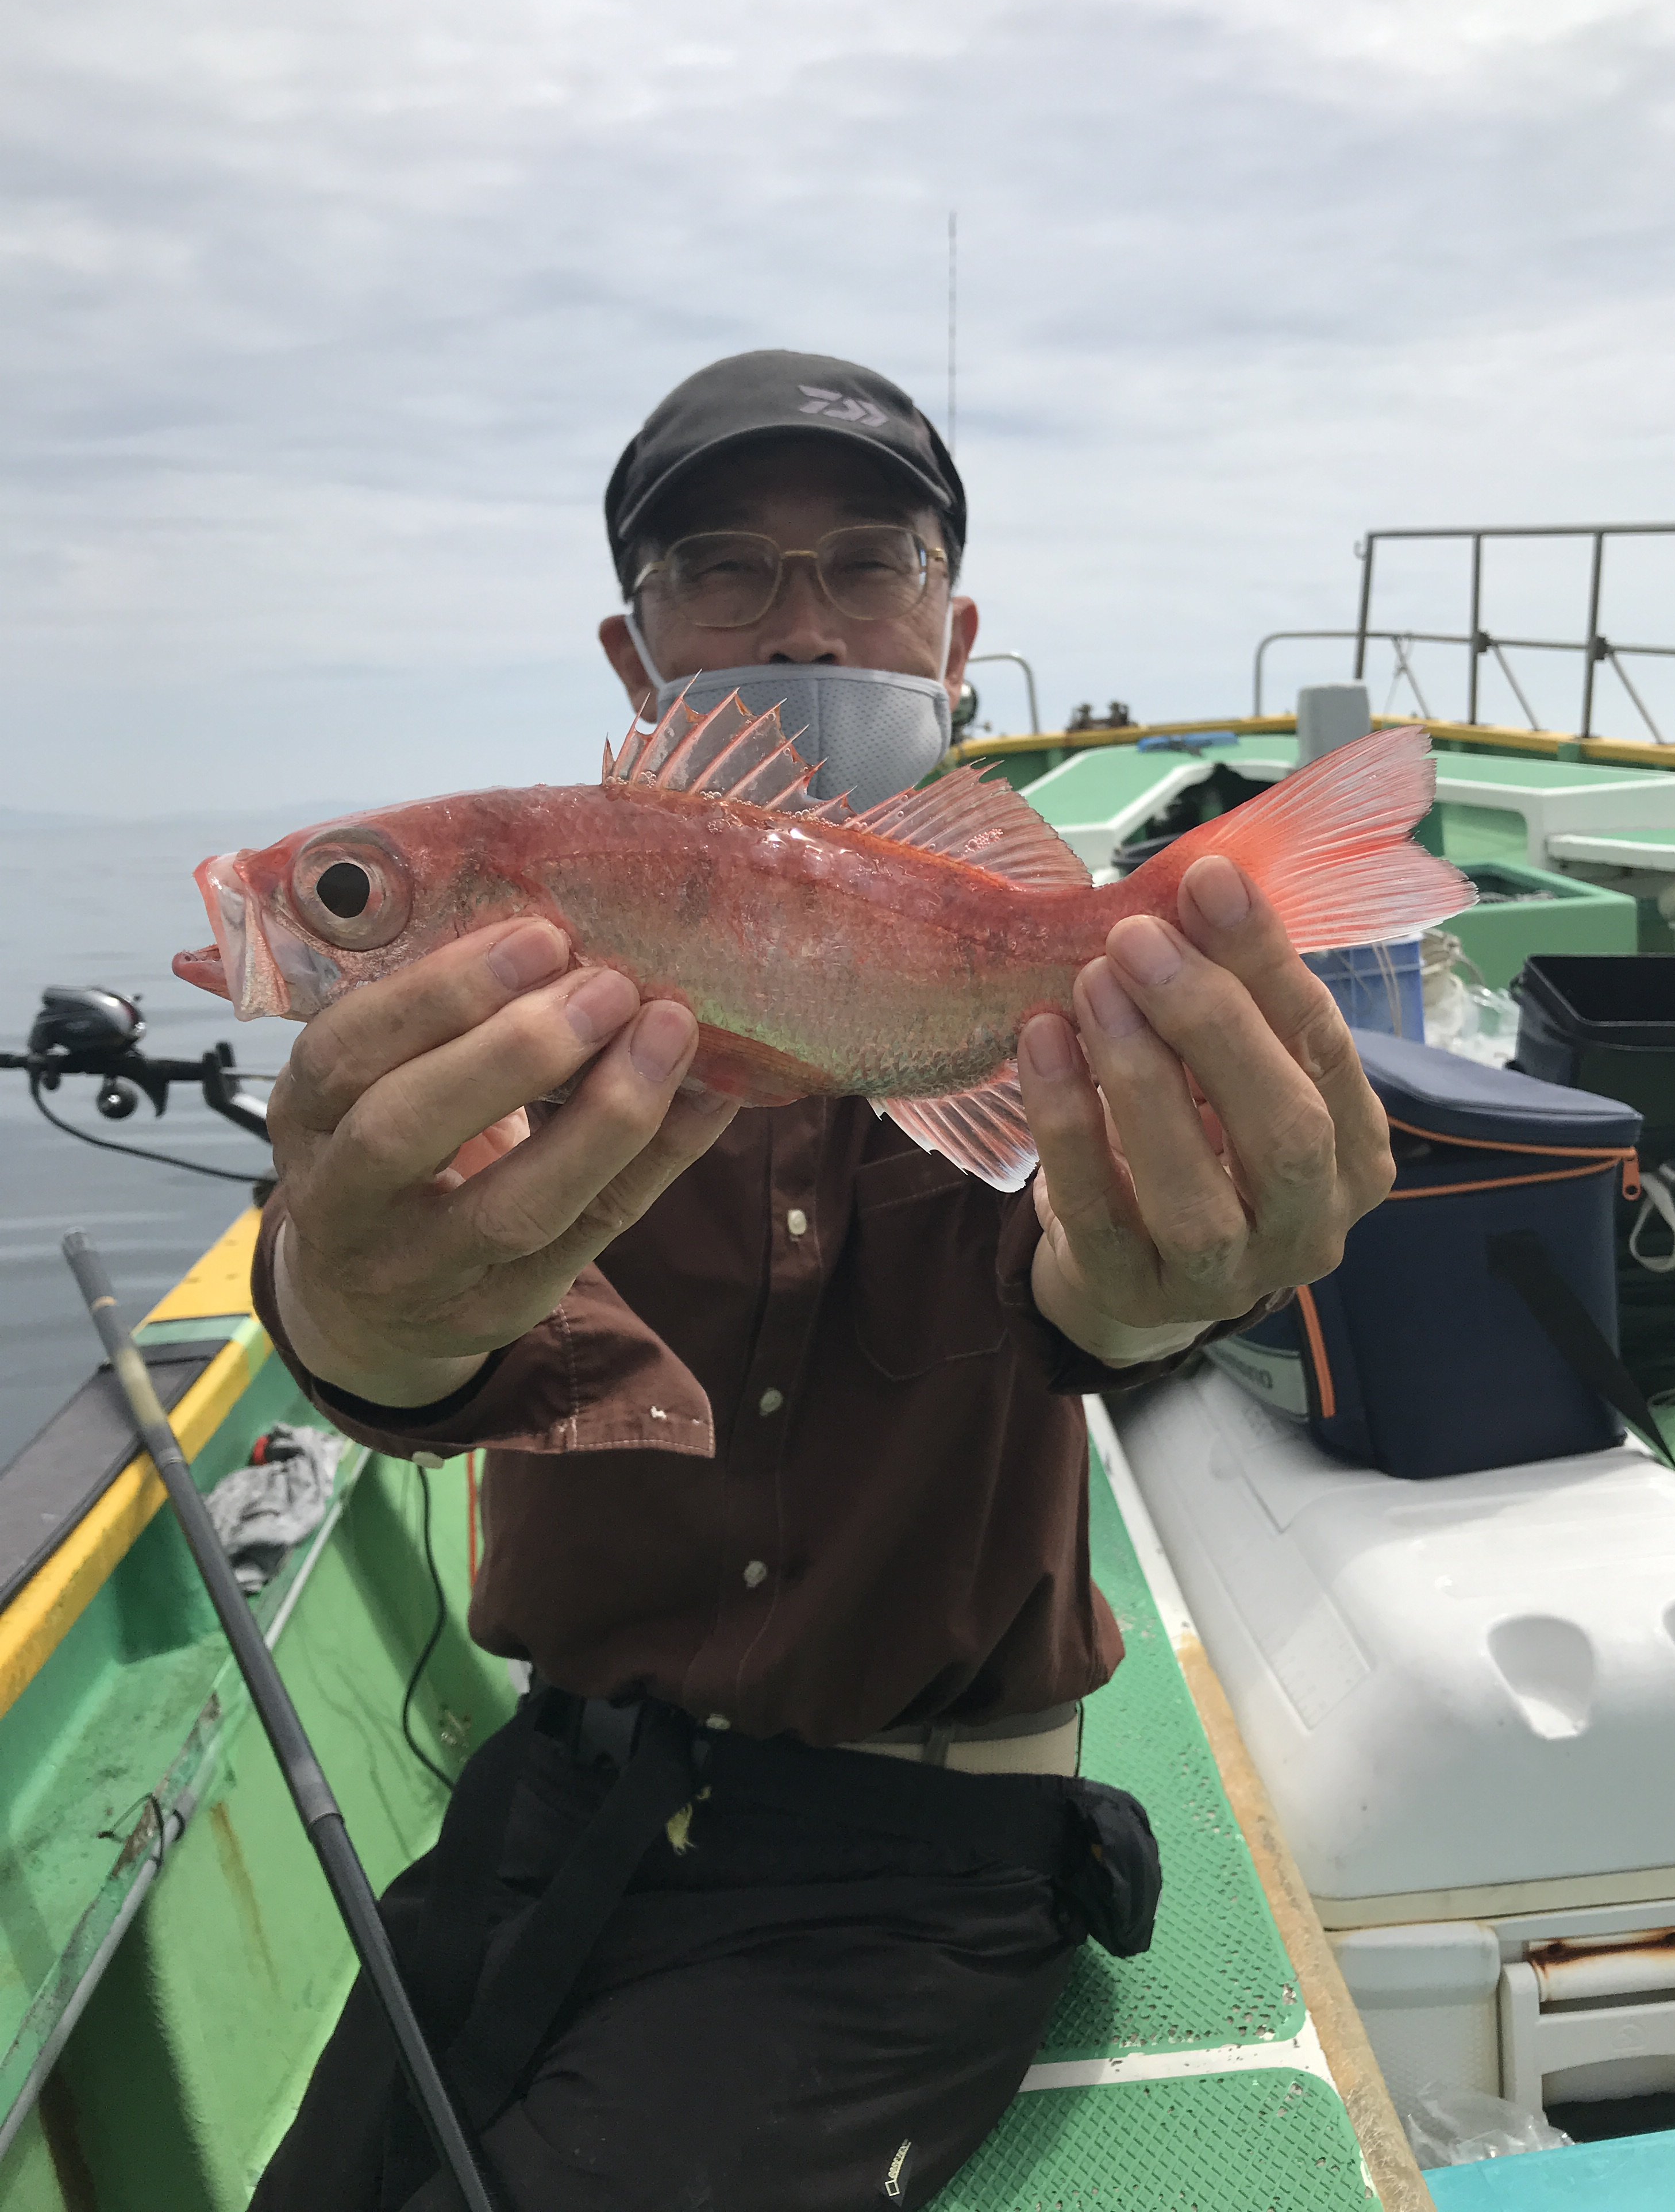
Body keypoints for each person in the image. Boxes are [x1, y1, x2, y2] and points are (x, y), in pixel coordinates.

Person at [248, 350, 1393, 2211]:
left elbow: (1084, 1290)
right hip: (554, 1794)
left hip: (922, 1852)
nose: (803, 620)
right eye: (722, 567)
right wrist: (351, 1310)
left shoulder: (1042, 974)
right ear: (634, 658)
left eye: (871, 562)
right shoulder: (498, 1000)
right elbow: (405, 1327)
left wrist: (1177, 1282)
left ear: (956, 635)